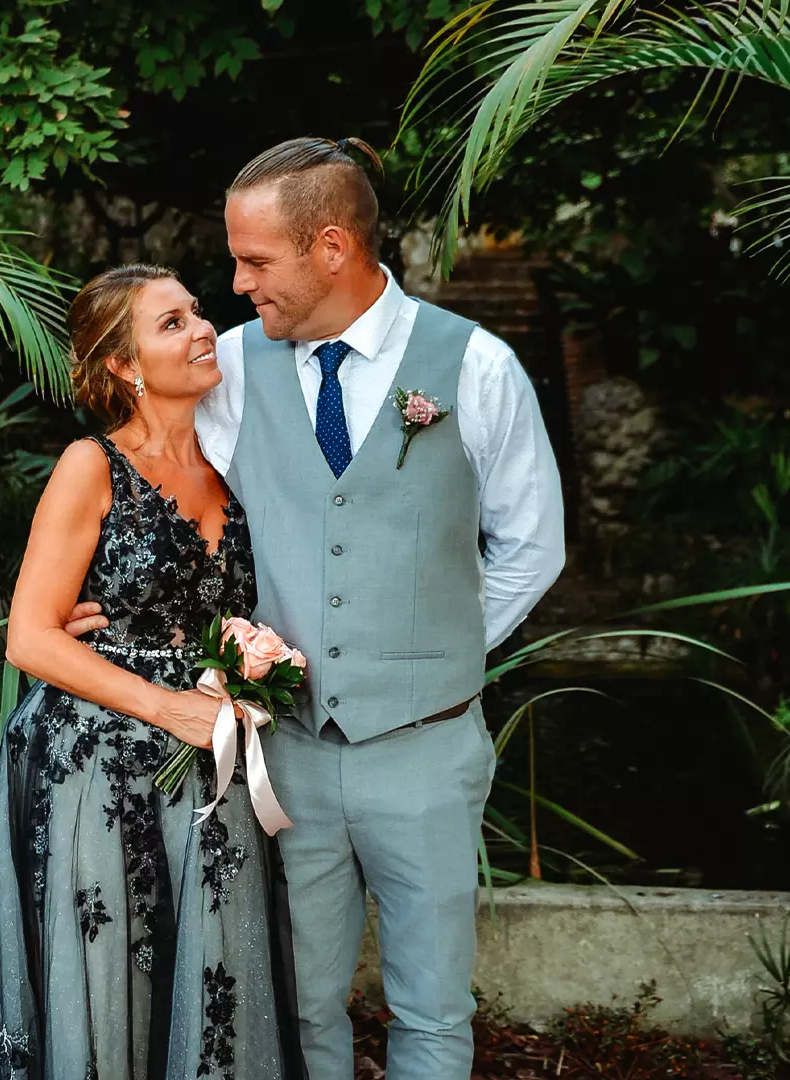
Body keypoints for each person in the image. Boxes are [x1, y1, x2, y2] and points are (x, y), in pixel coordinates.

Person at [193, 137, 567, 1080]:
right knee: (300, 1000)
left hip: (429, 753)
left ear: (330, 247)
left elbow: (533, 546)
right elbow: (175, 510)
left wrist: (427, 654)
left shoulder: (475, 365)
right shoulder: (230, 369)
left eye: (254, 260)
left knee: (433, 1008)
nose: (236, 284)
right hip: (289, 759)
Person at [0, 264, 287, 1080]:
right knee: (103, 975)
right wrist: (167, 706)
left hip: (209, 763)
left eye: (196, 313)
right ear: (124, 367)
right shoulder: (89, 466)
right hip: (92, 769)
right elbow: (29, 639)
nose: (203, 328)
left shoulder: (236, 466)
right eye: (171, 324)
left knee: (209, 970)